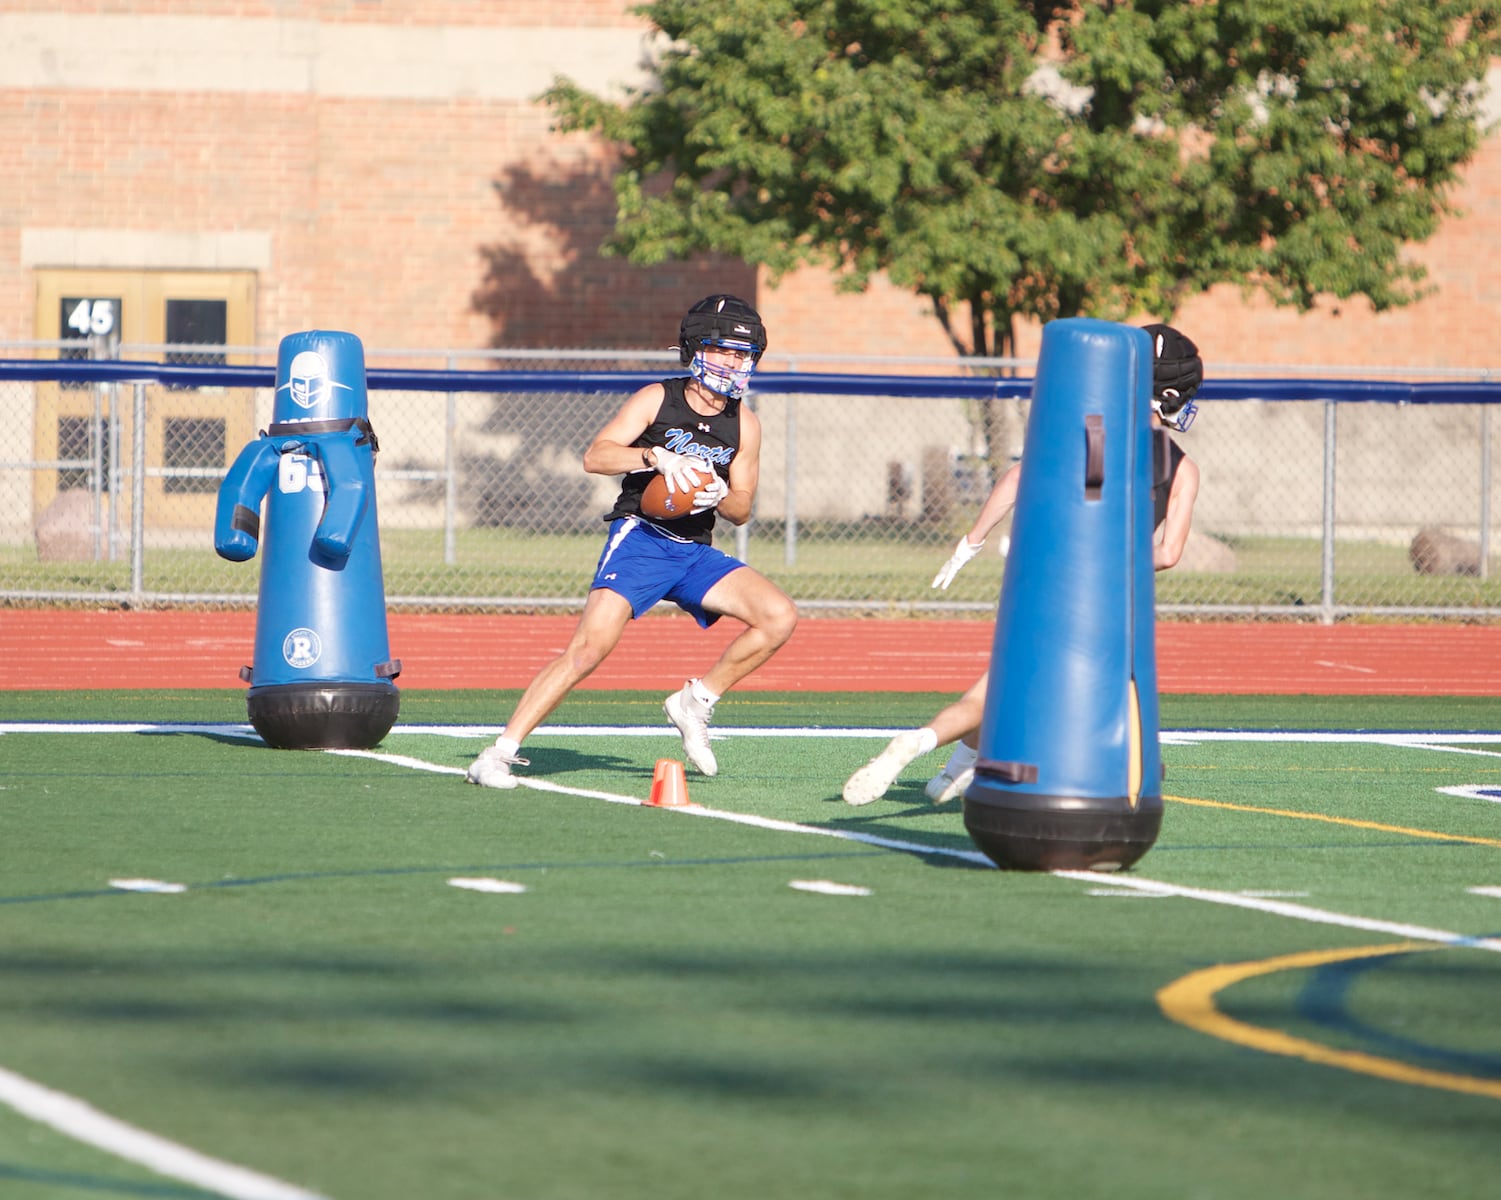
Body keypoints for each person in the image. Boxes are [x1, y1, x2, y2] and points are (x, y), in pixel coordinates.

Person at [842, 323, 1204, 807]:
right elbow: (1168, 552)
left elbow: (1017, 477)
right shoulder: (1181, 467)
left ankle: (942, 754)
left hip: (1048, 582)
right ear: (1173, 395)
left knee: (991, 694)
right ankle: (953, 753)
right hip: (1109, 602)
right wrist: (1110, 561)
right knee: (1080, 704)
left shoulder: (1091, 431)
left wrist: (970, 543)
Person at [467, 295, 798, 788]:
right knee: (588, 649)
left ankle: (696, 701)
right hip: (642, 538)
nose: (736, 363)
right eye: (726, 351)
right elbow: (596, 456)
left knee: (779, 616)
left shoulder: (745, 423)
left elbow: (743, 509)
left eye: (744, 355)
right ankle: (497, 753)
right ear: (697, 349)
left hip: (693, 550)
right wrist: (655, 459)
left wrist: (720, 493)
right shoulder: (656, 398)